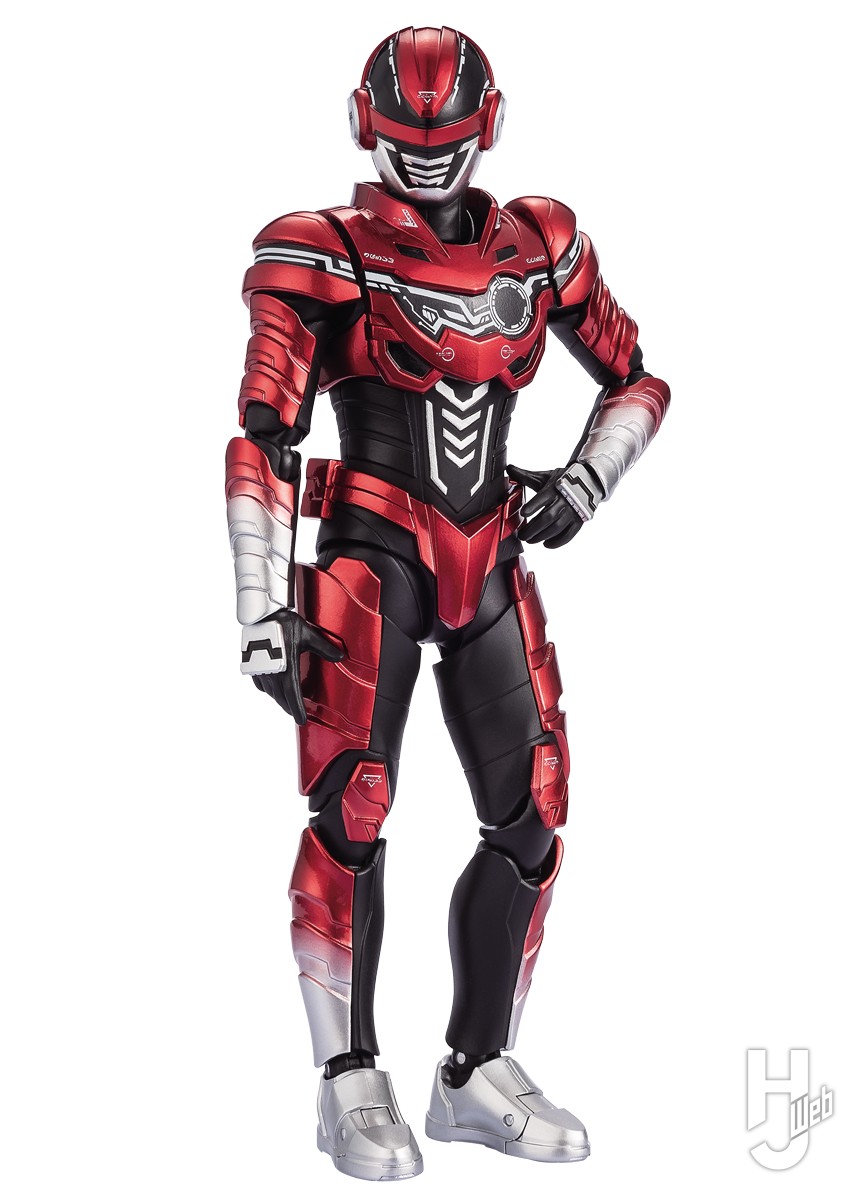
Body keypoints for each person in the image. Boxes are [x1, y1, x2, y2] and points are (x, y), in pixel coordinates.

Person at [225, 25, 669, 1181]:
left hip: (490, 558)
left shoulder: (539, 243)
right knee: (352, 808)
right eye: (407, 136)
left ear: (488, 124)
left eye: (447, 135)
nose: (427, 154)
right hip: (369, 554)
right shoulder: (320, 248)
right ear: (364, 124)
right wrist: (261, 607)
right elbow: (265, 433)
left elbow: (635, 380)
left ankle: (475, 1070)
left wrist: (584, 482)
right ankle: (346, 1081)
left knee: (530, 816)